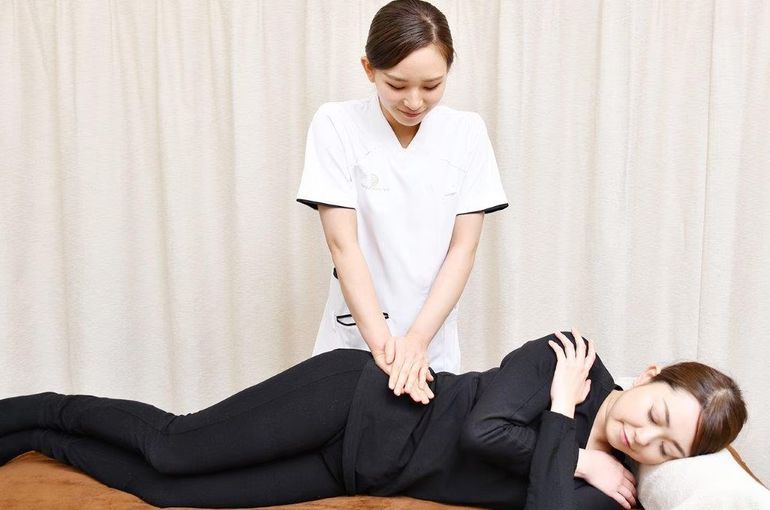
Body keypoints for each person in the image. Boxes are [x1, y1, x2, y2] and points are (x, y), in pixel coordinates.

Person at [0, 330, 747, 509]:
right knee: (172, 447)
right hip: (354, 398)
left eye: (666, 446)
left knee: (170, 495)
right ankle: (36, 409)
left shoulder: (617, 486)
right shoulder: (567, 357)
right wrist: (570, 440)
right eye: (656, 413)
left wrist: (568, 443)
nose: (644, 438)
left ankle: (36, 437)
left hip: (351, 468)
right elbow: (481, 431)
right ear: (649, 375)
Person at [296, 0, 508, 403]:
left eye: (431, 86)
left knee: (422, 434)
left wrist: (416, 342)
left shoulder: (466, 133)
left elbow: (463, 250)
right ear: (369, 69)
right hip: (356, 337)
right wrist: (385, 349)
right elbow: (343, 246)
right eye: (396, 85)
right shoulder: (336, 125)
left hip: (430, 342)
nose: (414, 101)